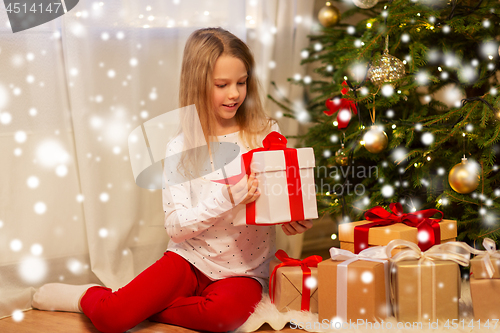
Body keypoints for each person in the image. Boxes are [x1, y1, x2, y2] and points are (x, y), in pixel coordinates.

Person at [32, 27, 313, 332]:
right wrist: (227, 197)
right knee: (111, 319)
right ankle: (86, 297)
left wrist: (292, 218)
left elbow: (276, 201)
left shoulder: (265, 133)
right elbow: (176, 228)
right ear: (198, 84)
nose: (234, 93)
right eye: (222, 85)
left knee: (222, 318)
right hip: (189, 259)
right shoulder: (181, 147)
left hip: (244, 271)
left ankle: (143, 307)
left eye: (241, 82)